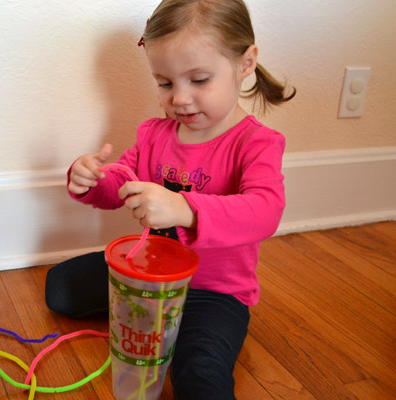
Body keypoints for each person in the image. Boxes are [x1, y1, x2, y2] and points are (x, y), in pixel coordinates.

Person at [45, 0, 295, 398]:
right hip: (147, 278)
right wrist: (90, 180)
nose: (179, 98)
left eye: (198, 80)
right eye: (165, 83)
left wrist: (187, 209)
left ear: (245, 63)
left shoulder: (256, 142)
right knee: (59, 287)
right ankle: (157, 323)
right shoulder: (153, 135)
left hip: (214, 294)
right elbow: (118, 185)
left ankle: (176, 334)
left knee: (200, 374)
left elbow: (266, 210)